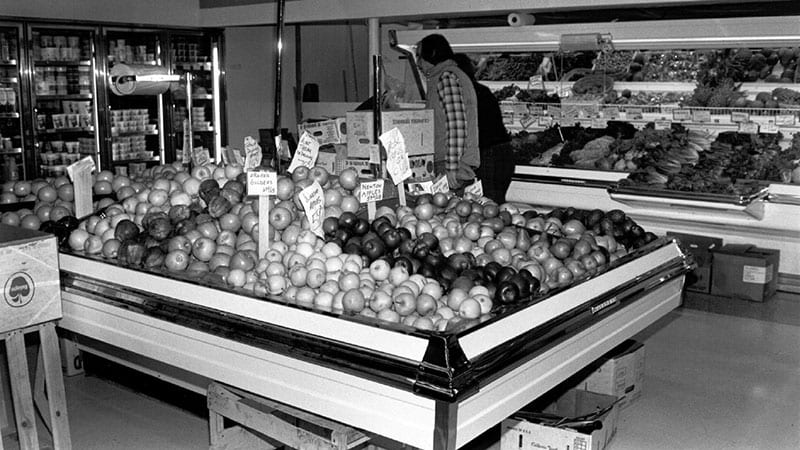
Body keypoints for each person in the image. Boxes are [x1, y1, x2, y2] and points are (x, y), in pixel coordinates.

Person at [415, 34, 480, 190]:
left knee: (449, 211)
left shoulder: (446, 78)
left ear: (431, 55)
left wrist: (452, 166)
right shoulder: (446, 76)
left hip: (451, 164)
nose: (418, 63)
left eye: (419, 56)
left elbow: (456, 125)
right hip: (451, 162)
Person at [452, 53, 515, 203]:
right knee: (495, 203)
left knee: (489, 204)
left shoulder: (464, 94)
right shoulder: (482, 90)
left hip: (488, 154)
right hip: (503, 152)